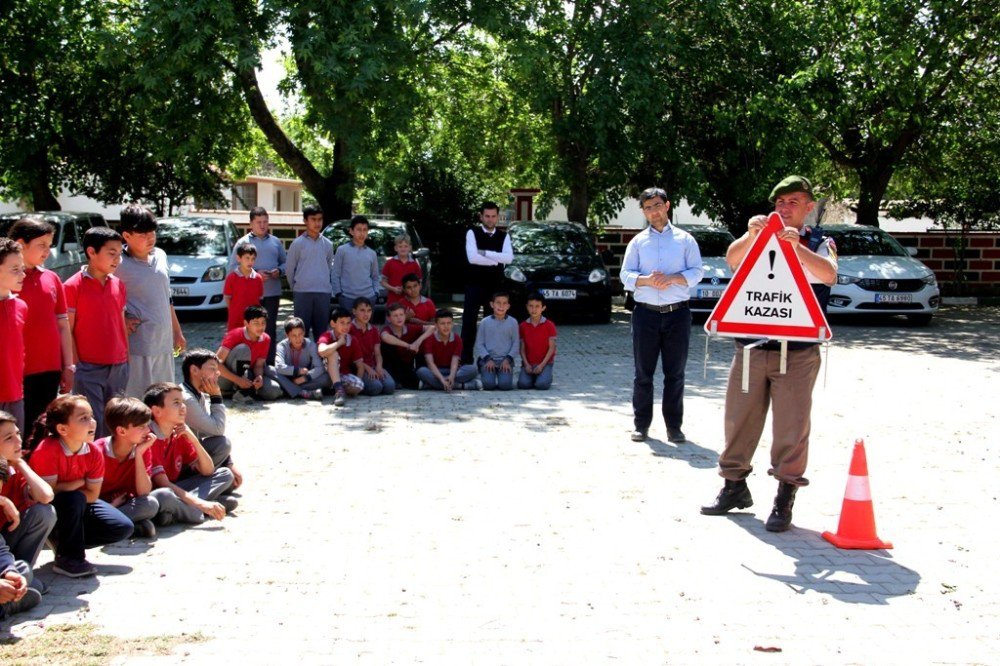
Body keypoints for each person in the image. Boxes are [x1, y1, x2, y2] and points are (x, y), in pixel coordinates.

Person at [701, 176, 837, 533]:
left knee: (791, 427)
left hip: (797, 352)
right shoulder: (759, 234)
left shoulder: (821, 242)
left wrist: (797, 250)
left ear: (809, 207)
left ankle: (784, 497)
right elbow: (732, 261)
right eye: (780, 202)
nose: (785, 208)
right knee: (738, 420)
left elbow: (830, 275)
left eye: (794, 201)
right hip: (750, 347)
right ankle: (733, 487)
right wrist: (750, 236)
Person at [619, 187, 704, 444]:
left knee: (674, 373)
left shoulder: (685, 240)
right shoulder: (637, 242)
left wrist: (673, 278)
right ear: (643, 212)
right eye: (648, 208)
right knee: (643, 373)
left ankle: (674, 427)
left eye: (657, 205)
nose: (653, 212)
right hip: (645, 315)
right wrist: (647, 281)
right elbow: (625, 275)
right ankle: (641, 426)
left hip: (677, 314)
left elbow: (697, 272)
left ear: (667, 206)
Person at [27, 395, 134, 578]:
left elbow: (92, 496)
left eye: (91, 416)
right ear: (62, 429)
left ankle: (63, 541)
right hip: (45, 510)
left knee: (122, 527)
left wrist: (66, 486)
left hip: (79, 504)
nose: (92, 422)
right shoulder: (47, 450)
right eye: (83, 418)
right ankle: (69, 558)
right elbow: (46, 495)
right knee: (74, 498)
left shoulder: (93, 452)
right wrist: (78, 483)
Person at [8, 218, 75, 432]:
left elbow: (63, 325)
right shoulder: (8, 281)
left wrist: (68, 365)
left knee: (42, 428)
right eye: (41, 245)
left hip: (49, 368)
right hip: (16, 372)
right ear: (20, 244)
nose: (47, 252)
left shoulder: (52, 278)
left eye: (49, 245)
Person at [64, 226, 130, 439]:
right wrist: (76, 366)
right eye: (111, 254)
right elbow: (68, 330)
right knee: (94, 424)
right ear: (91, 252)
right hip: (88, 367)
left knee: (117, 422)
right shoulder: (72, 286)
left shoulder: (118, 284)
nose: (117, 259)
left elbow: (120, 321)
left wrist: (125, 357)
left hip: (118, 366)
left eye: (120, 254)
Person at [116, 204, 186, 398]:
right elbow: (105, 296)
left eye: (152, 233)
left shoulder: (160, 255)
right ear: (127, 236)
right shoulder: (117, 263)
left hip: (163, 343)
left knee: (164, 398)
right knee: (139, 400)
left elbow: (167, 296)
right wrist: (122, 317)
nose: (150, 238)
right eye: (143, 234)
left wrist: (177, 331)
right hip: (138, 346)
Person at [144, 383, 236, 523]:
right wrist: (201, 504)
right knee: (164, 495)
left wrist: (192, 438)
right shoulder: (150, 437)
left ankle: (176, 511)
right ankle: (196, 511)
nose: (183, 408)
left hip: (176, 488)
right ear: (157, 411)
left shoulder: (178, 431)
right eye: (176, 403)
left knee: (225, 474)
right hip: (156, 493)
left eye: (182, 402)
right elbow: (163, 483)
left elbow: (207, 470)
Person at [0, 410, 55, 595]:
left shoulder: (14, 468)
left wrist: (20, 463)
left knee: (45, 512)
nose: (18, 441)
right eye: (9, 438)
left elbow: (46, 495)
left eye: (17, 434)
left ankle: (20, 577)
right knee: (34, 587)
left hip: (5, 547)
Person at [95, 397, 159, 539]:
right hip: (98, 506)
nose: (148, 430)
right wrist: (111, 507)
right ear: (122, 431)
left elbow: (144, 492)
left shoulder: (143, 449)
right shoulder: (98, 451)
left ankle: (117, 526)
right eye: (141, 427)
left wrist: (139, 454)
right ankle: (115, 525)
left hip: (125, 504)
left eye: (147, 425)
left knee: (151, 503)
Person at [229, 207, 286, 365]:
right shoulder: (243, 243)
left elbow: (286, 262)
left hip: (272, 293)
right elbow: (233, 267)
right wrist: (254, 273)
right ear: (251, 224)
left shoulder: (276, 242)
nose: (262, 225)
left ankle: (269, 364)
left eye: (265, 222)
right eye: (258, 222)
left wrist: (279, 271)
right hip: (251, 296)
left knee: (270, 330)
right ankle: (250, 363)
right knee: (250, 330)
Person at [179, 349, 244, 486]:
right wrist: (216, 397)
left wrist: (229, 463)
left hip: (190, 452)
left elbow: (205, 431)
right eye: (213, 368)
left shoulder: (197, 393)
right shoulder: (186, 398)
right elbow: (217, 429)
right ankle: (194, 485)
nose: (218, 373)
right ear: (194, 370)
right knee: (222, 443)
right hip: (178, 460)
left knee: (229, 480)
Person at [461, 202, 513, 363]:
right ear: (481, 216)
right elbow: (472, 258)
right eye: (487, 216)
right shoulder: (472, 232)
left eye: (493, 216)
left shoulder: (504, 236)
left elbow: (509, 258)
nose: (490, 220)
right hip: (474, 284)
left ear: (498, 216)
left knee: (493, 323)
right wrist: (495, 260)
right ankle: (465, 359)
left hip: (495, 286)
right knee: (469, 322)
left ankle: (490, 360)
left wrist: (485, 253)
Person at [286, 204, 334, 343]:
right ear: (305, 221)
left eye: (320, 219)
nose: (317, 223)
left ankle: (321, 362)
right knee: (300, 332)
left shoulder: (328, 244)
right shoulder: (297, 243)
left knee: (322, 333)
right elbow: (290, 269)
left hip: (323, 293)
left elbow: (330, 268)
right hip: (302, 293)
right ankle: (302, 362)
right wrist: (295, 287)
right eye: (313, 219)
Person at [216, 305, 282, 401]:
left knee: (273, 391)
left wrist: (259, 377)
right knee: (243, 349)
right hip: (225, 378)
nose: (260, 327)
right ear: (246, 323)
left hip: (247, 376)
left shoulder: (266, 338)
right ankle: (241, 392)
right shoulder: (235, 334)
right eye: (256, 323)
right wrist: (238, 380)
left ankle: (242, 391)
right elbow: (216, 363)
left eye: (263, 323)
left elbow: (259, 365)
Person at [0, 238, 27, 435]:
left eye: (22, 268)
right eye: (15, 269)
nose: (23, 274)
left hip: (15, 394)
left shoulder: (21, 306)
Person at [417, 309, 479, 391]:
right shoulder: (430, 339)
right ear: (436, 325)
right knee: (421, 371)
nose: (446, 326)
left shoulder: (457, 339)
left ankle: (431, 385)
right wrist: (442, 379)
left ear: (452, 324)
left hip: (453, 371)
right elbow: (430, 363)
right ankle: (462, 386)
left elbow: (455, 361)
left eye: (449, 323)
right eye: (442, 323)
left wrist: (452, 376)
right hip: (436, 370)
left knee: (473, 369)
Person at [269, 317, 329, 399]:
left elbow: (319, 367)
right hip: (286, 376)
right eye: (294, 335)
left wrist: (305, 378)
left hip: (303, 379)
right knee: (269, 369)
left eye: (300, 334)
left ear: (304, 332)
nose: (298, 338)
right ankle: (301, 392)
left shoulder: (311, 345)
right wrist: (298, 370)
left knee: (326, 377)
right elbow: (279, 366)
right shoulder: (281, 346)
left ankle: (289, 390)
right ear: (287, 335)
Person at [317, 307, 365, 407]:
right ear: (333, 324)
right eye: (342, 322)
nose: (346, 326)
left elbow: (360, 365)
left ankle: (336, 388)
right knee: (333, 353)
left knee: (359, 385)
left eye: (348, 323)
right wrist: (339, 343)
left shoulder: (352, 340)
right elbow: (321, 351)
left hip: (342, 375)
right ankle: (339, 390)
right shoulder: (326, 335)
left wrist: (357, 383)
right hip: (325, 373)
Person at [380, 303, 434, 390]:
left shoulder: (410, 328)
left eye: (401, 314)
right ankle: (394, 380)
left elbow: (432, 328)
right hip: (390, 366)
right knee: (387, 346)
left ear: (405, 316)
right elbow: (385, 337)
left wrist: (417, 342)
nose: (399, 318)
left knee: (417, 385)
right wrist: (408, 346)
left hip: (406, 366)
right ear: (388, 318)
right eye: (395, 316)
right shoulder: (387, 329)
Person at [332, 215, 380, 313]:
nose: (362, 233)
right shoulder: (342, 250)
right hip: (347, 298)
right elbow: (335, 274)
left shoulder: (372, 253)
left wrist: (376, 293)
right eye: (358, 229)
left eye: (365, 230)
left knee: (365, 328)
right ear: (351, 231)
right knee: (347, 327)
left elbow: (375, 276)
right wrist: (338, 294)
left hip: (368, 297)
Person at [473, 291, 518, 391]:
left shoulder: (513, 322)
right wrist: (488, 359)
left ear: (508, 306)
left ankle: (503, 376)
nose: (501, 306)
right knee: (489, 385)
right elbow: (479, 344)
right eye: (498, 302)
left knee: (505, 386)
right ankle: (482, 373)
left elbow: (516, 344)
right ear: (492, 304)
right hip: (488, 360)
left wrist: (507, 360)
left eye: (504, 303)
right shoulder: (485, 322)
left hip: (505, 361)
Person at [350, 297, 395, 396]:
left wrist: (379, 366)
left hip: (373, 365)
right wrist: (368, 368)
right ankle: (357, 386)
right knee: (376, 388)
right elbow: (352, 356)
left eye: (369, 310)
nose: (366, 314)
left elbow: (377, 353)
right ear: (354, 311)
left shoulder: (374, 329)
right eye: (362, 310)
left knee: (390, 387)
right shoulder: (349, 329)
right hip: (358, 366)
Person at [517, 292, 558, 390]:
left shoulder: (549, 325)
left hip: (545, 363)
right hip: (529, 363)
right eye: (531, 306)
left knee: (542, 385)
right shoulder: (523, 326)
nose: (534, 309)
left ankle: (546, 376)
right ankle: (533, 376)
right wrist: (526, 364)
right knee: (523, 385)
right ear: (527, 307)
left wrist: (542, 365)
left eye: (537, 306)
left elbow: (552, 348)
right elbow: (522, 348)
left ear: (543, 308)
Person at [224, 242, 264, 333]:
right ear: (239, 258)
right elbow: (227, 298)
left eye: (253, 259)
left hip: (253, 320)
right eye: (247, 258)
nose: (250, 262)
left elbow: (260, 299)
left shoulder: (258, 278)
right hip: (236, 319)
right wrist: (234, 311)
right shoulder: (231, 278)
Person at [380, 233, 422, 306]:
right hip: (393, 300)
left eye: (406, 246)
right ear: (396, 248)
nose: (403, 248)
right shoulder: (390, 263)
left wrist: (409, 290)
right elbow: (383, 282)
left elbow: (419, 283)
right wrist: (393, 289)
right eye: (400, 246)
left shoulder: (414, 264)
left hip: (410, 301)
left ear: (410, 248)